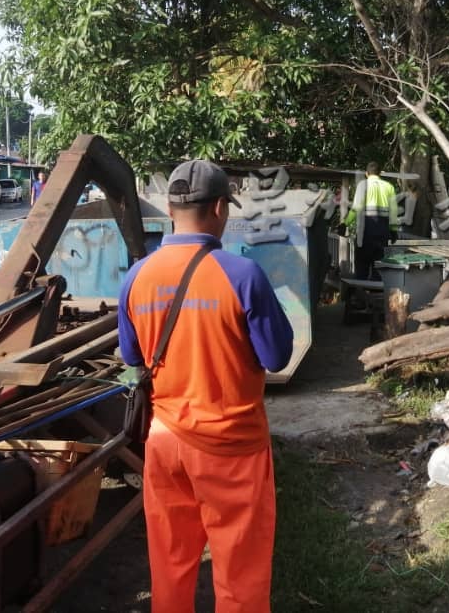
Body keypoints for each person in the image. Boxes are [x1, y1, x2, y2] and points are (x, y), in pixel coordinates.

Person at [118, 159, 294, 613]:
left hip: (165, 441)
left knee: (171, 561)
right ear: (220, 208)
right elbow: (276, 357)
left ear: (172, 208)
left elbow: (132, 357)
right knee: (240, 570)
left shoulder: (137, 276)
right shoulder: (242, 275)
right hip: (231, 446)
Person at [344, 161, 399, 279]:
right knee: (378, 267)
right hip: (382, 233)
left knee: (362, 266)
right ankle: (376, 295)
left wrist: (345, 223)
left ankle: (360, 294)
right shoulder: (389, 187)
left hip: (365, 233)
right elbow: (394, 212)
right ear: (380, 173)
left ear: (366, 173)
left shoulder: (362, 186)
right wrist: (394, 230)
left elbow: (356, 208)